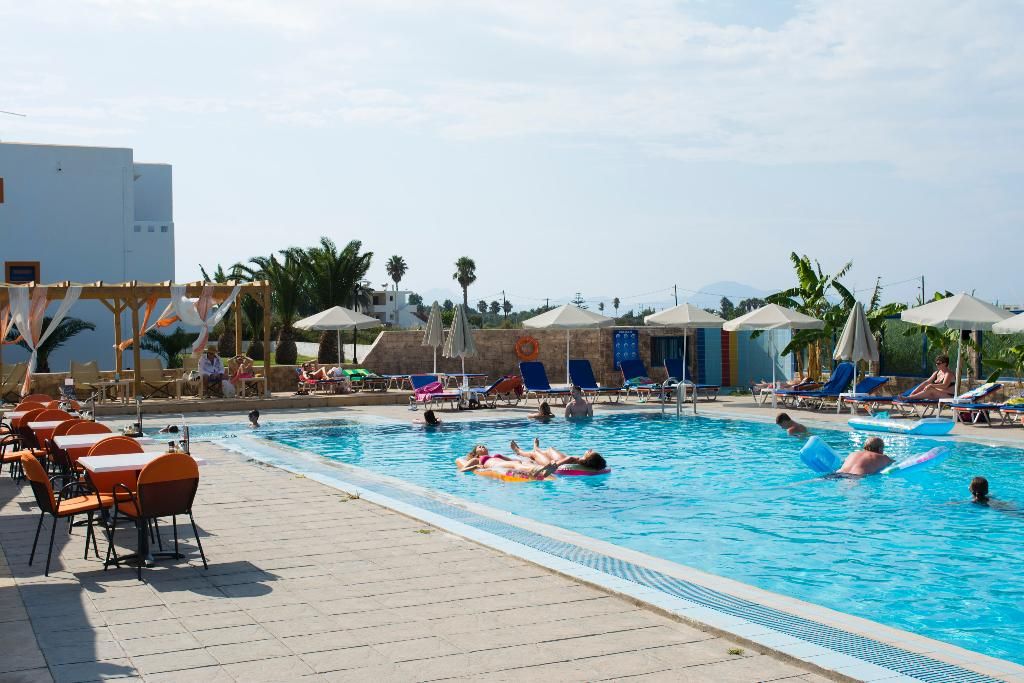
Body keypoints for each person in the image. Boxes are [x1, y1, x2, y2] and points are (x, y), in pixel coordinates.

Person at [455, 444, 556, 478]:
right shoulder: (476, 459)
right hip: (496, 466)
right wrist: (475, 466)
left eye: (483, 446)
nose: (482, 447)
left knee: (517, 463)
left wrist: (529, 461)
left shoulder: (495, 455)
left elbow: (512, 459)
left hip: (505, 463)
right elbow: (462, 469)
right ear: (476, 453)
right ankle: (540, 470)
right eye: (479, 447)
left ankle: (542, 471)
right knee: (515, 465)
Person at [510, 438, 607, 471]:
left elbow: (555, 466)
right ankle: (537, 448)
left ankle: (519, 451)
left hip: (552, 464)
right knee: (550, 449)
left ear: (589, 458)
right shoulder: (578, 460)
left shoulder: (571, 458)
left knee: (535, 454)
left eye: (590, 452)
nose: (590, 450)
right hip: (561, 461)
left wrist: (550, 465)